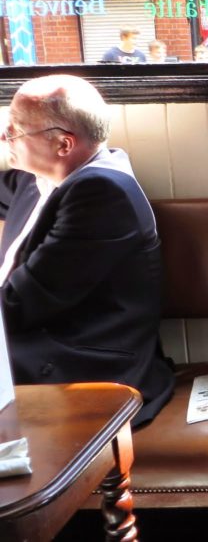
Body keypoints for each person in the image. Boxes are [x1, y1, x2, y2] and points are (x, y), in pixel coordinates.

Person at [0, 75, 174, 425]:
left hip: (79, 364)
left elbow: (22, 304)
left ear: (63, 144)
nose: (5, 138)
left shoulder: (102, 194)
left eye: (15, 131)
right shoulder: (37, 178)